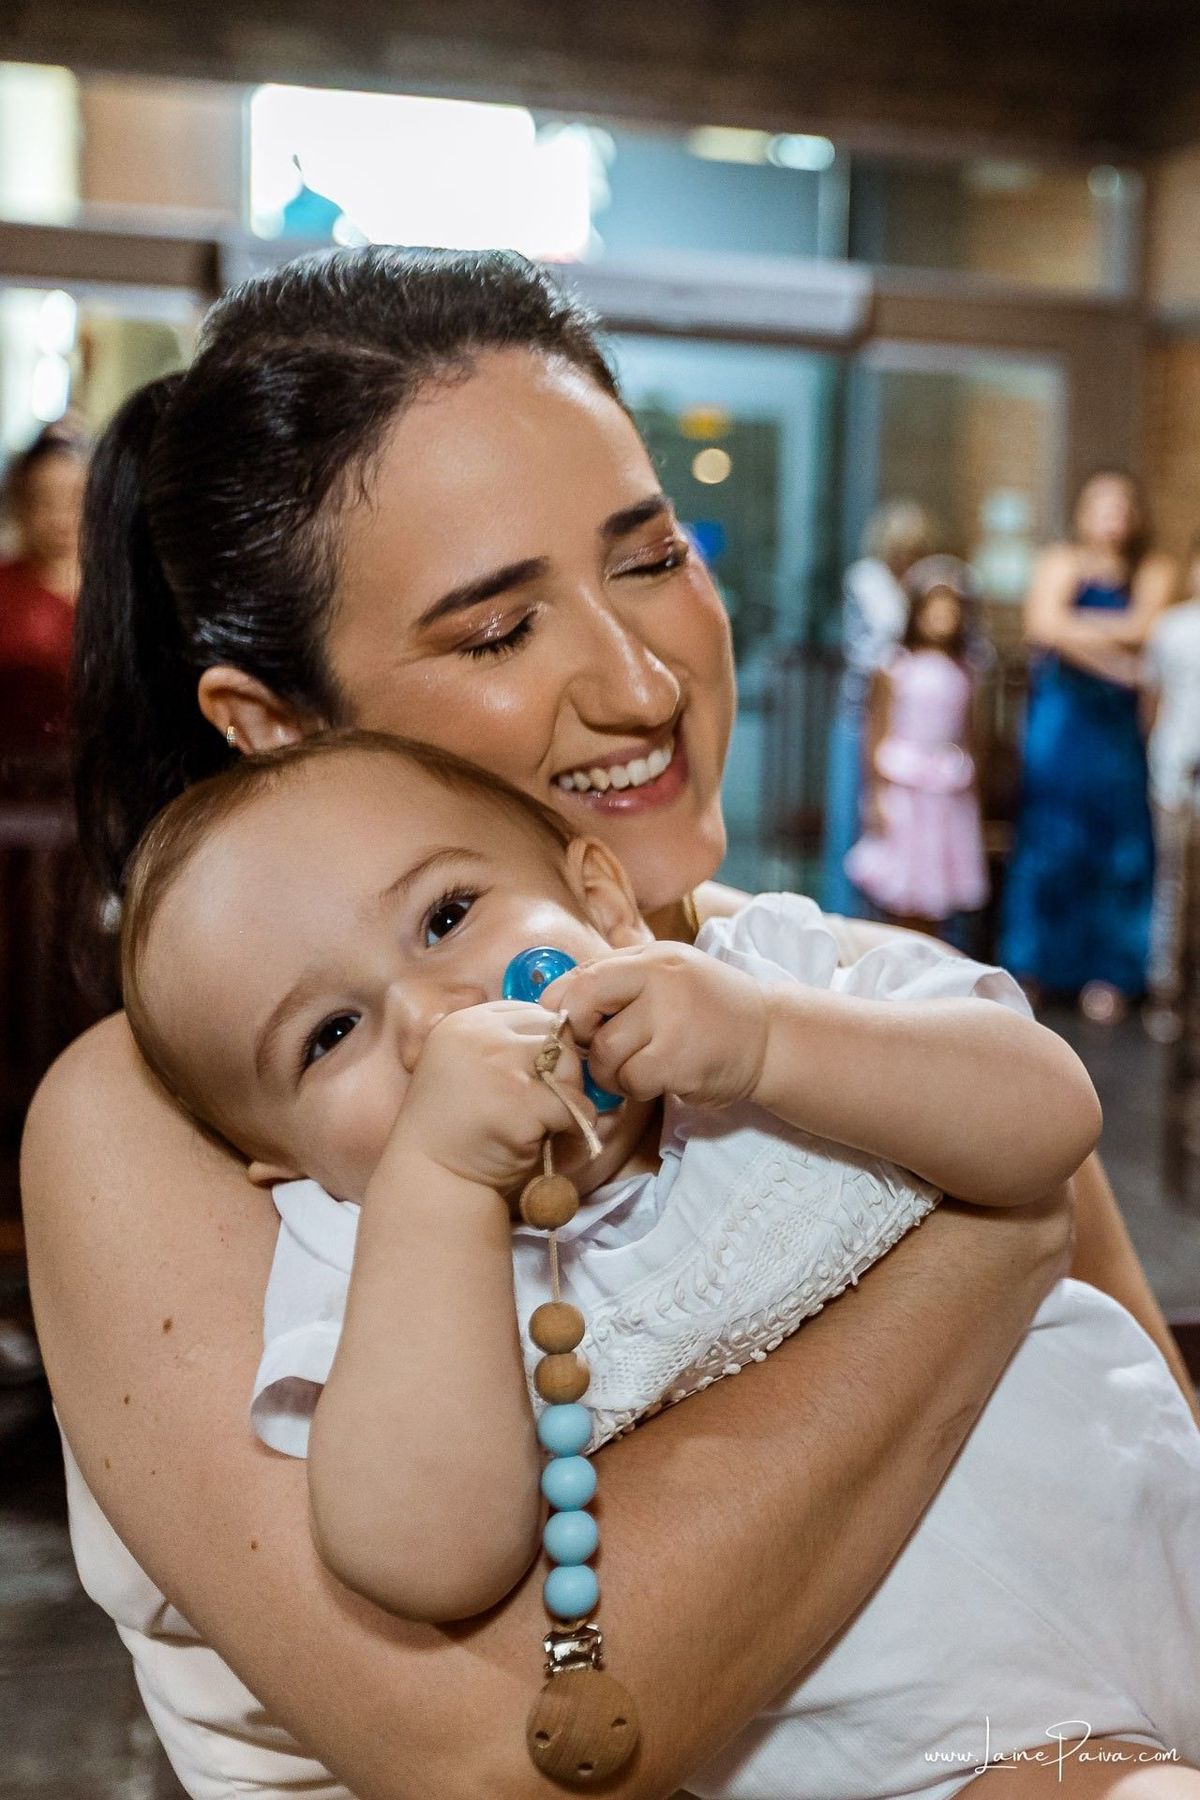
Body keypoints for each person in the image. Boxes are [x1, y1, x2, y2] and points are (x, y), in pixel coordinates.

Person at [21, 249, 1193, 1800]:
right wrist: (983, 1233)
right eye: (497, 631)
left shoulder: (844, 985)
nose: (643, 681)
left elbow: (1150, 1438)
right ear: (273, 723)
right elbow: (506, 1754)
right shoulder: (181, 1111)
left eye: (651, 560)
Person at [114, 729, 1200, 1793]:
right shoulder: (375, 1265)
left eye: (447, 916)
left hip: (1166, 1539)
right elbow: (427, 1555)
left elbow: (1050, 1124)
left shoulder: (783, 976)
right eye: (328, 1036)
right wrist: (437, 1193)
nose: (432, 1020)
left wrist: (774, 1043)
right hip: (949, 1758)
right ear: (280, 1163)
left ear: (602, 899)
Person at [1000, 469, 1177, 1023]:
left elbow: (1145, 627)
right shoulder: (1059, 561)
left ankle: (1111, 972)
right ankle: (1036, 965)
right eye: (1101, 503)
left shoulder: (1155, 568)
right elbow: (1041, 626)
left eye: (1121, 503)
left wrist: (1076, 633)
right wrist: (1116, 662)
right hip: (1063, 725)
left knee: (1117, 845)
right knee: (1051, 841)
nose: (1112, 514)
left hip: (1115, 732)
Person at [845, 556, 989, 934]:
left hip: (945, 791)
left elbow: (970, 732)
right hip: (906, 790)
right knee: (903, 886)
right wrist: (875, 795)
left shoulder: (965, 670)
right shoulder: (895, 666)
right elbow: (875, 730)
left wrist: (974, 788)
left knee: (937, 885)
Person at [822, 499, 936, 917]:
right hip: (864, 718)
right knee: (858, 828)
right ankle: (848, 921)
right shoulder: (867, 581)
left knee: (910, 836)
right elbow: (877, 648)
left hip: (917, 732)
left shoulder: (929, 581)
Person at [0, 421, 87, 756]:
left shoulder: (115, 593)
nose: (60, 517)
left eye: (73, 500)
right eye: (45, 501)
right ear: (23, 503)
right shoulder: (7, 588)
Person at [1142, 541, 1200, 1034]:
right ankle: (1166, 991)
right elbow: (1152, 701)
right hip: (1176, 773)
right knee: (1171, 884)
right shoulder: (1173, 628)